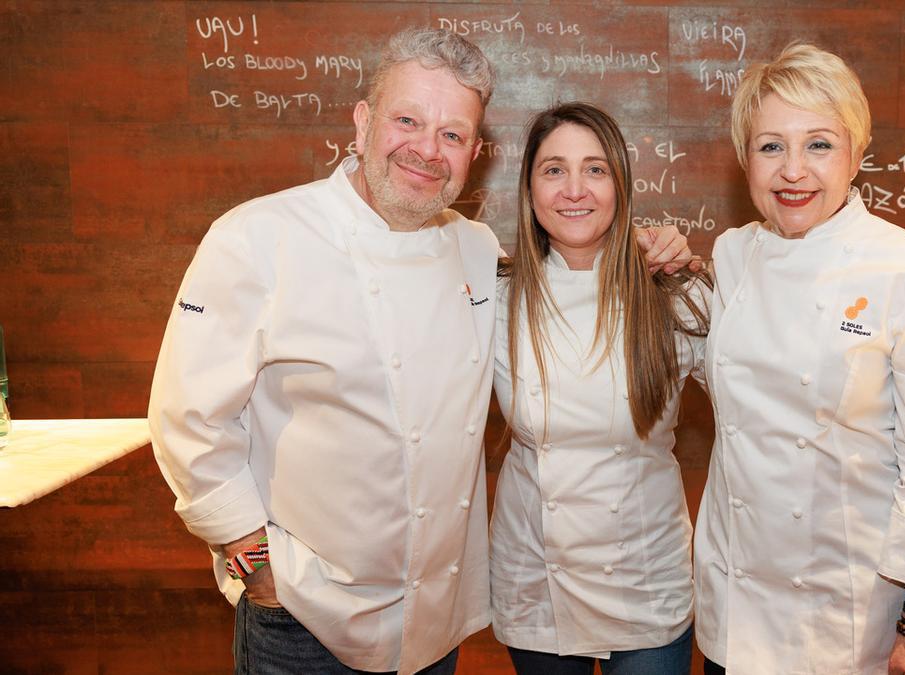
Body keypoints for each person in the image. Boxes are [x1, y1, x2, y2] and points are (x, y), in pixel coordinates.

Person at [148, 28, 693, 675]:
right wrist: (254, 570)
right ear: (362, 122)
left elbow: (576, 281)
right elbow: (186, 422)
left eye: (452, 134)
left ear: (474, 153)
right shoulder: (259, 238)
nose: (427, 150)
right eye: (408, 120)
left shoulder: (473, 248)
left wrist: (659, 249)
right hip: (302, 617)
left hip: (433, 627)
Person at [692, 42, 905, 675]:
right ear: (745, 160)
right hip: (734, 607)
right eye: (771, 147)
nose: (793, 171)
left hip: (848, 618)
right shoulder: (733, 255)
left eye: (818, 144)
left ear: (856, 154)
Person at [489, 102, 710, 675]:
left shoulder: (675, 295)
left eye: (595, 169)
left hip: (645, 581)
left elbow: (765, 401)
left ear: (620, 186)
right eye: (553, 169)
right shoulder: (495, 299)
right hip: (536, 578)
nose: (574, 190)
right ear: (529, 189)